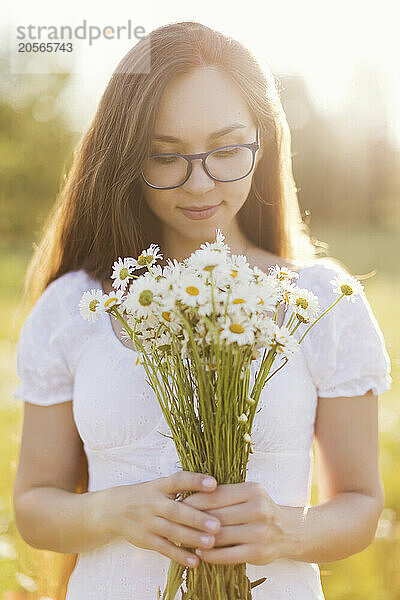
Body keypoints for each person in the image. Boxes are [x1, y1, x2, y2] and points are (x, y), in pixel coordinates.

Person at [12, 21, 392, 600]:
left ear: (263, 141)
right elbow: (35, 508)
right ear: (124, 157)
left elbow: (361, 506)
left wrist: (284, 529)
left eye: (228, 149)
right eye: (165, 157)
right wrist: (114, 513)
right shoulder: (75, 307)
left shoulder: (319, 303)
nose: (199, 183)